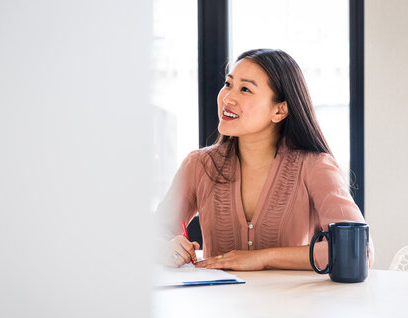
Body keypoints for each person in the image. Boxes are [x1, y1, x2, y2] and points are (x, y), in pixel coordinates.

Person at [157, 48, 374, 270]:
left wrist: (263, 258)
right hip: (217, 303)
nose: (228, 97)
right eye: (228, 84)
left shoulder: (315, 166)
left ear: (279, 111)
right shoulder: (198, 165)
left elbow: (358, 251)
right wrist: (165, 247)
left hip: (292, 304)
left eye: (245, 89)